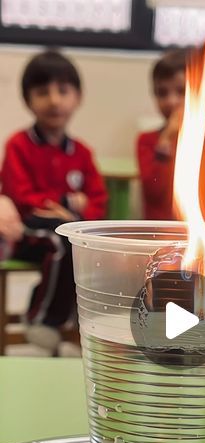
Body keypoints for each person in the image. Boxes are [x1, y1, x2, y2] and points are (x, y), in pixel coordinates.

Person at [1, 49, 107, 351]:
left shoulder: (82, 152)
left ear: (78, 97)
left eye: (63, 90)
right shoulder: (18, 145)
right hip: (27, 232)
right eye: (42, 92)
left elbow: (98, 199)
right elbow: (21, 197)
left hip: (70, 229)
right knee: (61, 242)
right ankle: (42, 318)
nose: (54, 100)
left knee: (83, 245)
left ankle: (73, 316)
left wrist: (77, 214)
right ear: (27, 99)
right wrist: (67, 203)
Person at [136, 48, 187, 221]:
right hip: (159, 234)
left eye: (181, 91)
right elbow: (154, 192)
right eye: (162, 93)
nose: (171, 101)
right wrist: (166, 139)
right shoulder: (147, 141)